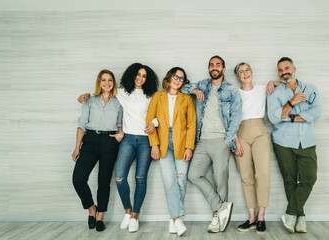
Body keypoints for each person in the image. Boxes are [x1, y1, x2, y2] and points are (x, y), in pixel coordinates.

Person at [77, 63, 159, 233]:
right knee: (120, 177)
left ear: (147, 79)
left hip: (145, 139)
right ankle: (127, 212)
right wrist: (86, 95)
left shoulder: (151, 95)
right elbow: (103, 92)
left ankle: (135, 216)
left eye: (144, 76)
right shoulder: (122, 93)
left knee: (140, 178)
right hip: (127, 138)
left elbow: (160, 113)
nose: (140, 78)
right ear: (131, 75)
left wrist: (154, 122)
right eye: (138, 74)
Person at [181, 55, 242, 233]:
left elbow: (236, 118)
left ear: (223, 69)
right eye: (211, 65)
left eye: (218, 65)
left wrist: (228, 141)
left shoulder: (231, 90)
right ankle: (219, 208)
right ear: (209, 69)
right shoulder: (203, 85)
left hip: (220, 141)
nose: (214, 67)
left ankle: (217, 219)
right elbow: (182, 87)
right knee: (193, 174)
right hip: (202, 141)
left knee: (220, 181)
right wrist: (194, 90)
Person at [267, 57, 322, 233]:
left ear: (294, 68)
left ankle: (291, 214)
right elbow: (274, 118)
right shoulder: (274, 93)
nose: (284, 72)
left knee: (309, 178)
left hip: (306, 140)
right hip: (283, 141)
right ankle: (301, 218)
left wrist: (289, 117)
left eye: (287, 68)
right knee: (290, 180)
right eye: (280, 70)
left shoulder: (310, 89)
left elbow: (317, 111)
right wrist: (292, 102)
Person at [146, 67, 196, 236]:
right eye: (176, 76)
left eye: (182, 78)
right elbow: (149, 120)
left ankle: (173, 218)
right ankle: (176, 219)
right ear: (169, 77)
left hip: (182, 144)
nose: (178, 80)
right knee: (170, 182)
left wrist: (189, 147)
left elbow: (192, 125)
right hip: (162, 143)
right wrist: (154, 144)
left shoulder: (187, 99)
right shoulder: (157, 96)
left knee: (181, 182)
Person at [72, 69, 123, 232]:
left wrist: (120, 134)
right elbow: (82, 125)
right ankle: (91, 209)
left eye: (110, 80)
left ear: (113, 83)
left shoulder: (118, 102)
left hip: (110, 142)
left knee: (104, 181)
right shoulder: (89, 101)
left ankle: (100, 215)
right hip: (90, 140)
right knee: (78, 179)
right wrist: (77, 146)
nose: (107, 83)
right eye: (103, 80)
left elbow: (121, 123)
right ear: (99, 83)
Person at [233, 62, 272, 234]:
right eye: (241, 72)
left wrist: (273, 82)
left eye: (247, 70)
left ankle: (262, 216)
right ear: (237, 76)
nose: (245, 73)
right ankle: (252, 218)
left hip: (260, 132)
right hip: (240, 134)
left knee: (262, 173)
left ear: (252, 72)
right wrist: (235, 141)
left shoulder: (262, 88)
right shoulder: (234, 93)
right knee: (246, 176)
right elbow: (229, 118)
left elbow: (281, 83)